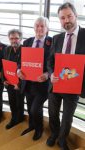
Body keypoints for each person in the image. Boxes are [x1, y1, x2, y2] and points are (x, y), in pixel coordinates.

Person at [46, 2, 85, 150]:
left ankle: (62, 139)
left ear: (75, 15)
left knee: (67, 118)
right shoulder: (56, 38)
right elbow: (50, 61)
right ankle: (54, 134)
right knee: (53, 114)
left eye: (69, 16)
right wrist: (51, 74)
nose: (66, 20)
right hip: (56, 84)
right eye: (62, 18)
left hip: (74, 87)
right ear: (60, 20)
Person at [17, 16, 52, 140]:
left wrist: (47, 75)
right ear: (34, 27)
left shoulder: (52, 43)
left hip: (42, 85)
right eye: (37, 25)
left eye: (42, 26)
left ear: (47, 28)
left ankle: (39, 129)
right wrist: (18, 70)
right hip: (28, 83)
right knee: (30, 107)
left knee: (35, 109)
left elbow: (55, 64)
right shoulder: (27, 42)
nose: (39, 28)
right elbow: (20, 61)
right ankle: (32, 125)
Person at [4, 29, 25, 130]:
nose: (14, 40)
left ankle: (20, 119)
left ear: (20, 39)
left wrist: (19, 84)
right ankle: (13, 118)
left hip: (20, 83)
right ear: (9, 39)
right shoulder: (7, 49)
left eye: (16, 38)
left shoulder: (25, 50)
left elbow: (27, 69)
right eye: (12, 38)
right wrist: (4, 79)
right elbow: (4, 66)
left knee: (19, 102)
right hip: (10, 83)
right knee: (12, 102)